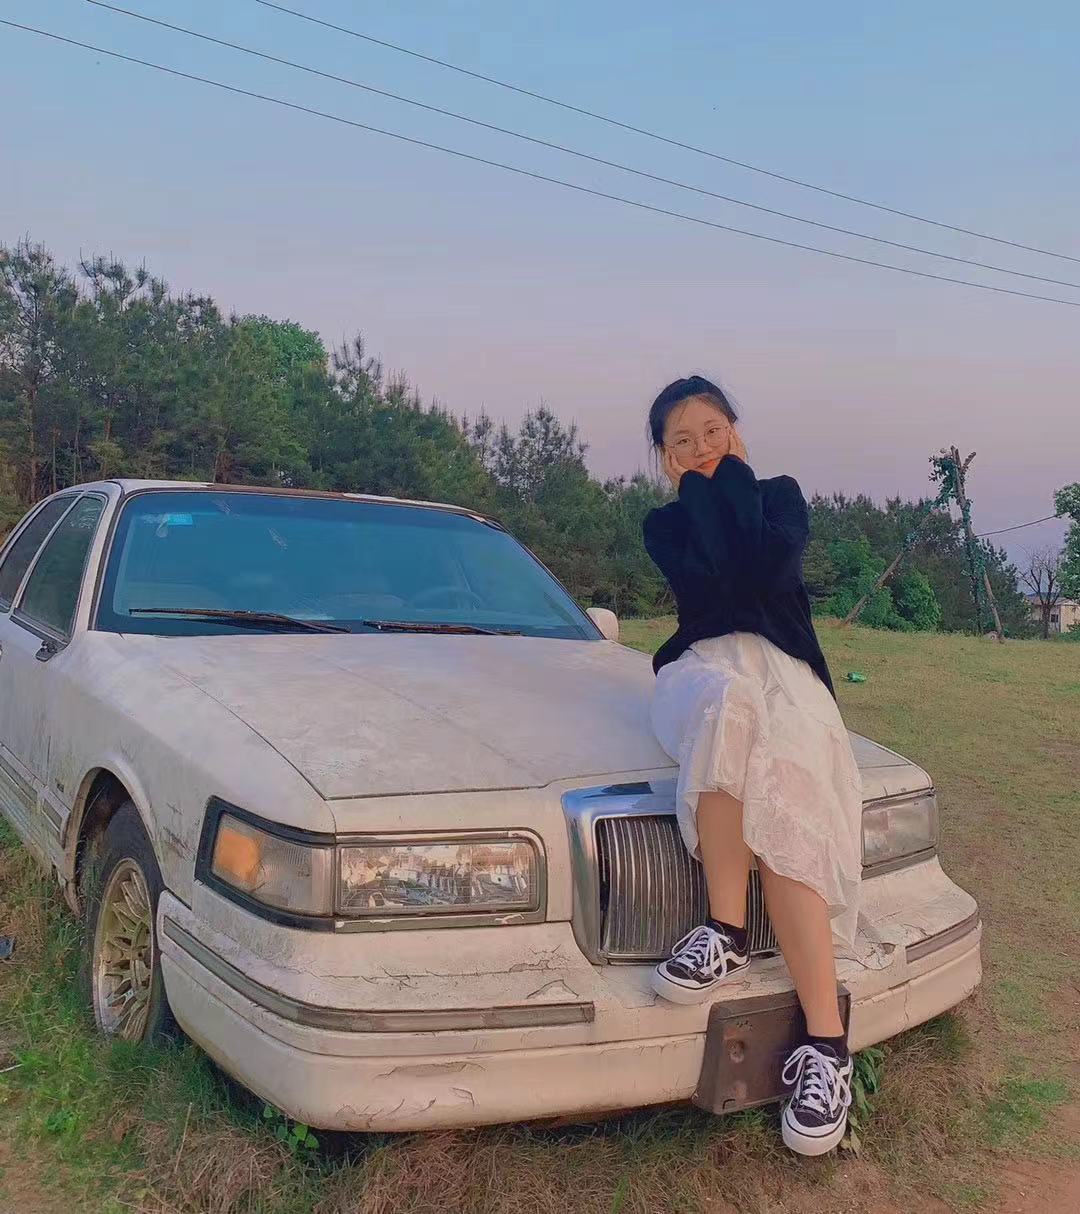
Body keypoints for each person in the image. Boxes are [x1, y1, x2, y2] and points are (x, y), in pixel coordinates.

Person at [642, 375, 863, 1156]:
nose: (701, 447)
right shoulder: (666, 524)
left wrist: (731, 478)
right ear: (666, 459)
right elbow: (715, 586)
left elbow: (765, 577)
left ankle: (827, 1046)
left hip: (789, 674)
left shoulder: (781, 497)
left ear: (735, 431)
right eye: (682, 441)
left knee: (789, 785)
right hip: (701, 668)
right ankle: (725, 928)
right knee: (728, 708)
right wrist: (703, 491)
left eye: (713, 431)